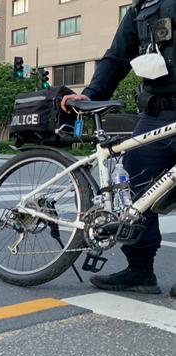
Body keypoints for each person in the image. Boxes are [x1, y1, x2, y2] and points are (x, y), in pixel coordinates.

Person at [61, 0, 175, 297]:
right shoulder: (143, 6)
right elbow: (117, 57)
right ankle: (140, 270)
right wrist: (90, 95)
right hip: (156, 113)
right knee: (138, 186)